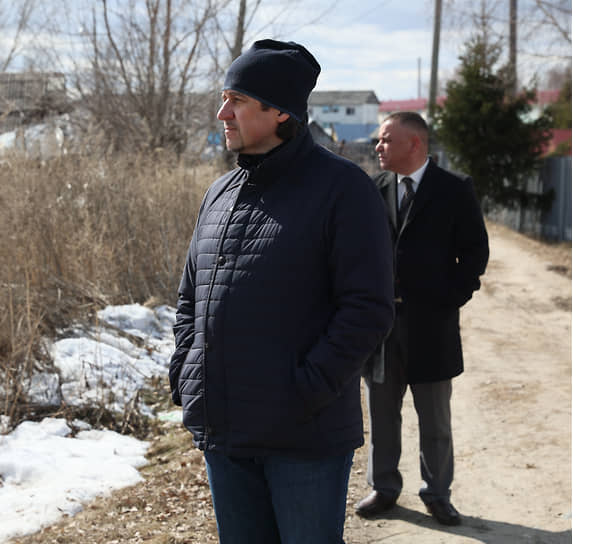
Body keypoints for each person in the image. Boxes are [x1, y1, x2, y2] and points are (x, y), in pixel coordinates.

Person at [168, 39, 394, 544]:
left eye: (238, 100)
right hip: (225, 432)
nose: (222, 112)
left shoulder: (343, 189)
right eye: (224, 98)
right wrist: (187, 370)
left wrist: (306, 388)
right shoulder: (219, 194)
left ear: (280, 113)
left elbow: (368, 309)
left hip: (303, 438)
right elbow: (190, 298)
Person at [355, 111, 490, 526]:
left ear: (414, 143)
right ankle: (384, 488)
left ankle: (437, 493)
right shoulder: (371, 190)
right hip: (381, 327)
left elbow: (474, 254)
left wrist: (449, 299)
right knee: (382, 413)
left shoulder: (453, 190)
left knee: (435, 418)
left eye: (385, 140)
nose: (378, 147)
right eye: (378, 141)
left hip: (432, 327)